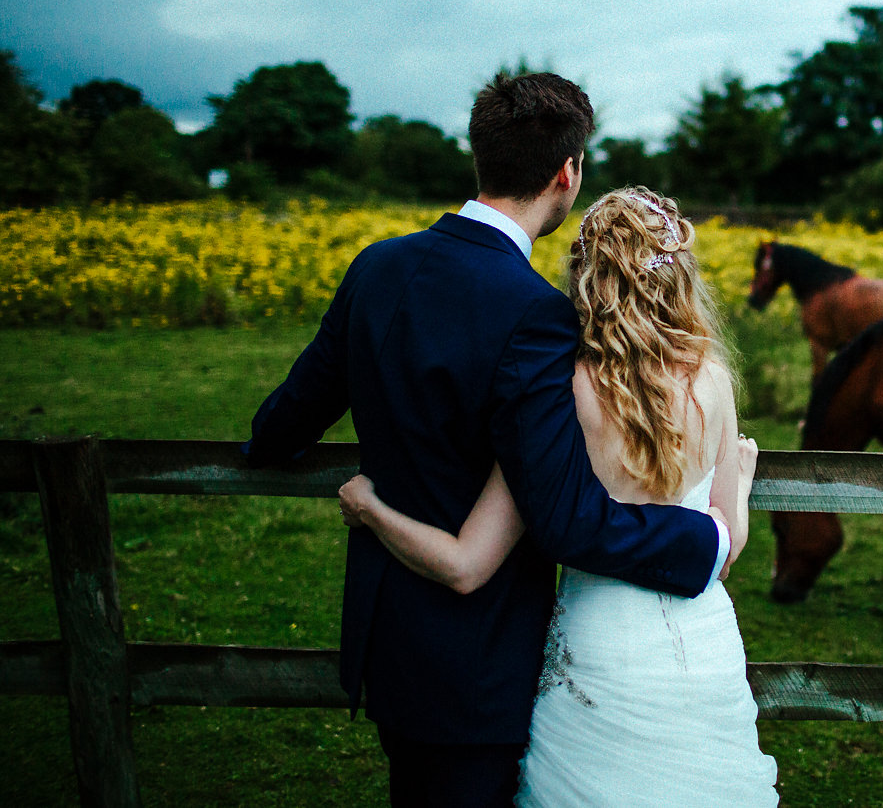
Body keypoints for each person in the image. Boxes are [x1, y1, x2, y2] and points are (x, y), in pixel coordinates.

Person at [242, 73, 729, 808]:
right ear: (567, 174)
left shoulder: (377, 267)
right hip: (480, 658)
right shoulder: (536, 313)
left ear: (480, 157)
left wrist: (360, 486)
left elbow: (279, 428)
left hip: (387, 637)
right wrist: (710, 539)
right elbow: (564, 518)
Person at [338, 187, 779, 807]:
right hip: (701, 650)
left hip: (601, 649)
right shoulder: (713, 379)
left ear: (587, 276)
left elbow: (467, 563)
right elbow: (726, 547)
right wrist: (745, 478)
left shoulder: (565, 391)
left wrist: (372, 509)